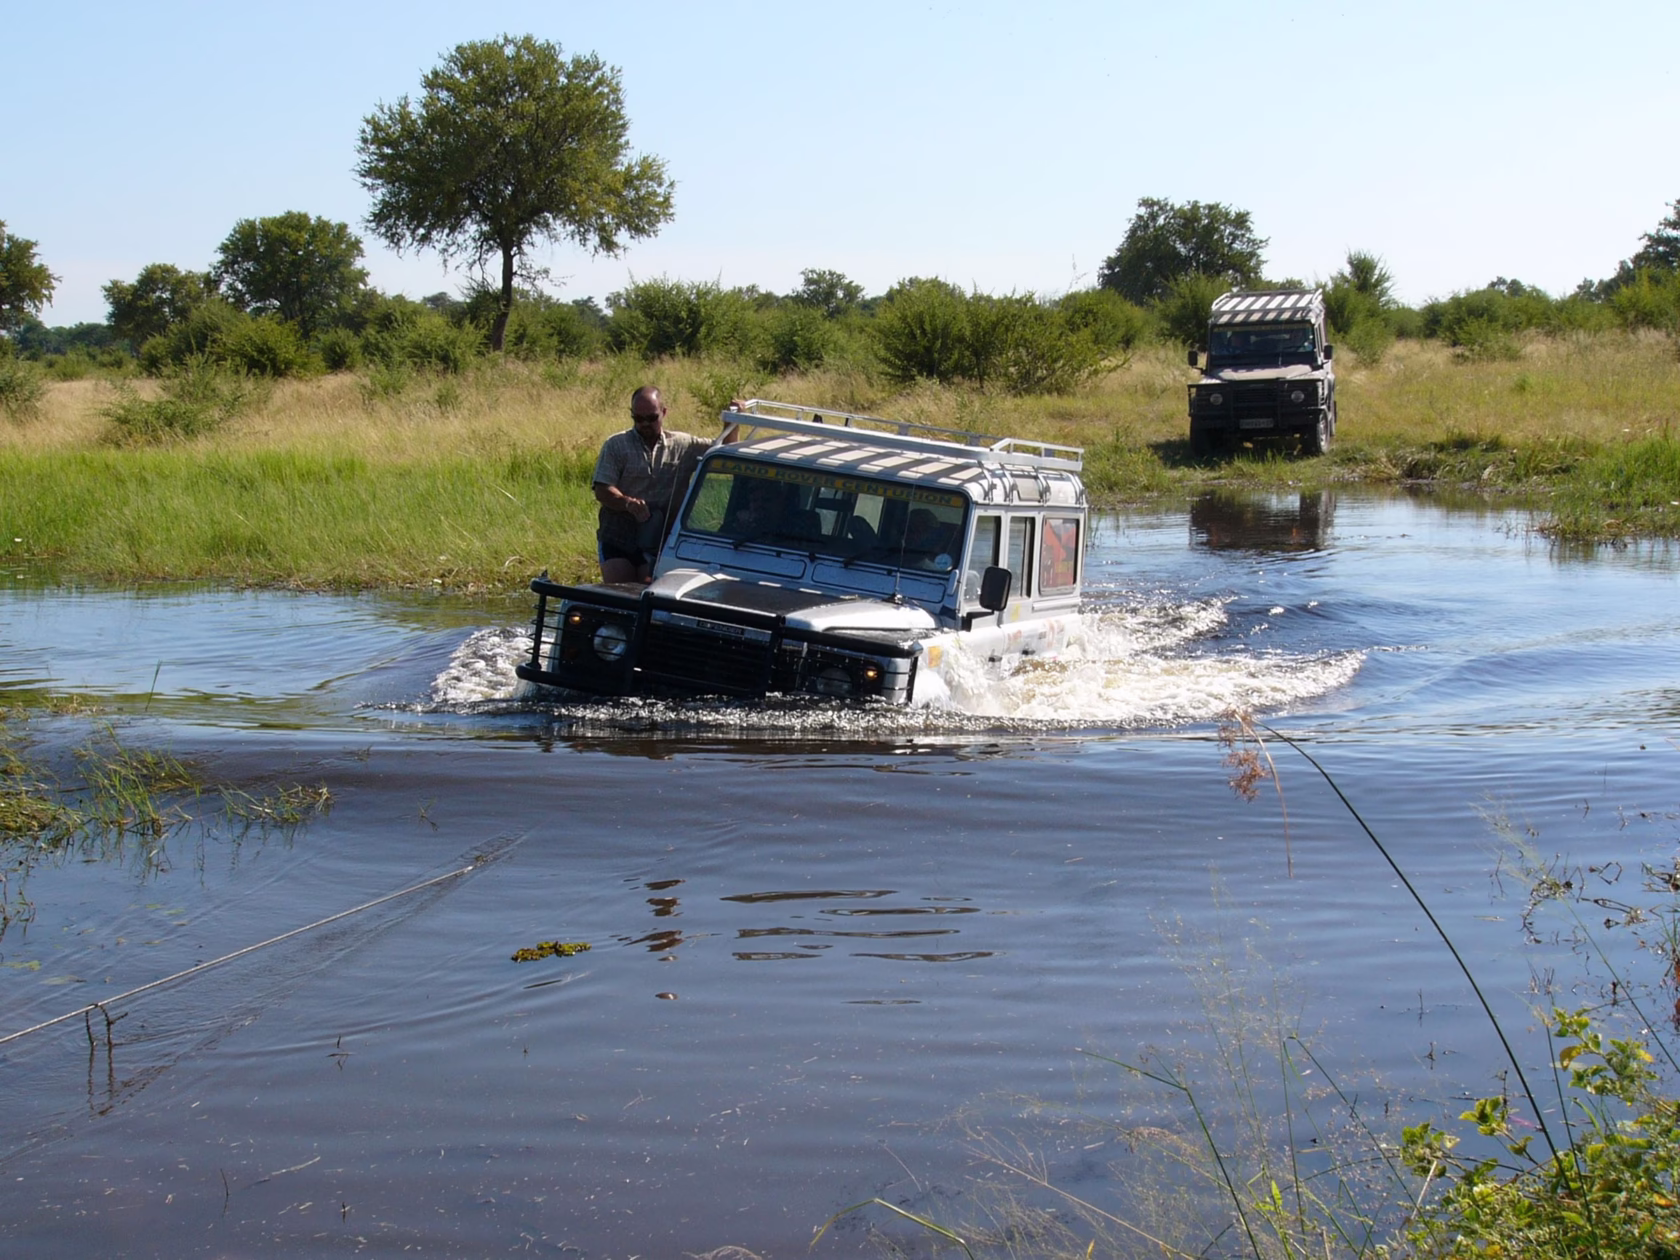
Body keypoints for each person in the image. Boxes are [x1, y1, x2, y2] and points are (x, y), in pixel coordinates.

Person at [592, 386, 713, 583]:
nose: (645, 424)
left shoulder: (683, 444)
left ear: (664, 412)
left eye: (651, 418)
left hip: (659, 539)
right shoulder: (616, 445)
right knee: (620, 594)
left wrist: (732, 421)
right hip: (618, 536)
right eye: (638, 419)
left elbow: (723, 449)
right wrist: (627, 503)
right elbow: (602, 490)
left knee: (649, 596)